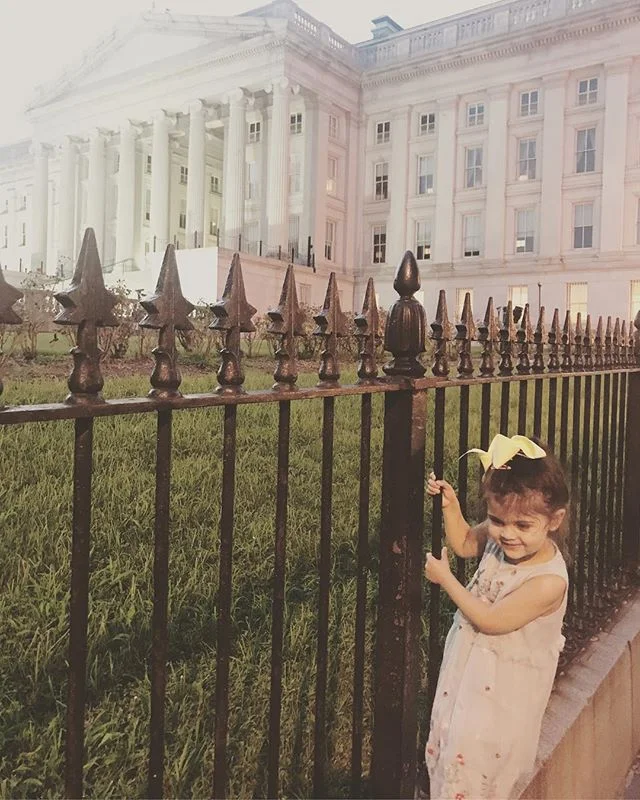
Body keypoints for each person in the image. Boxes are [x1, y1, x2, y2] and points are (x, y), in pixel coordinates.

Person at [423, 434, 570, 800]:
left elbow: (490, 620)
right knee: (453, 759)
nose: (506, 534)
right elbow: (464, 544)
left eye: (522, 526)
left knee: (480, 773)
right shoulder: (499, 531)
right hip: (469, 679)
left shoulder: (548, 582)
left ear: (554, 520)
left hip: (502, 698)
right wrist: (450, 506)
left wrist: (446, 580)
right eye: (497, 521)